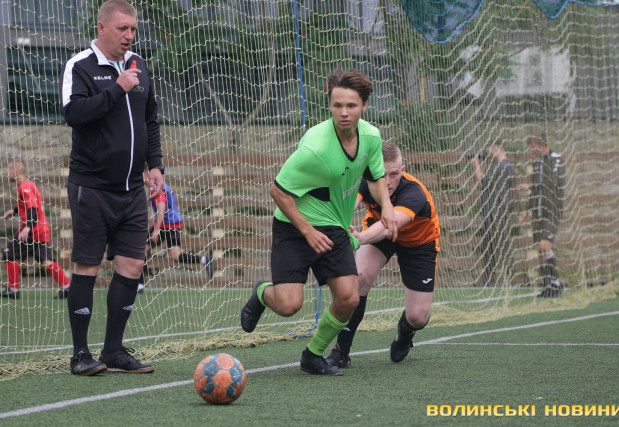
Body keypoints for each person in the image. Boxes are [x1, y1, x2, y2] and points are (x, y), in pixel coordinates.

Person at [240, 69, 398, 376]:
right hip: (294, 226)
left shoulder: (371, 137)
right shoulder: (315, 147)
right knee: (289, 306)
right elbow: (278, 190)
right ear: (329, 105)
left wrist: (388, 208)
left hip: (334, 226)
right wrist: (308, 231)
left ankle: (313, 355)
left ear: (364, 105)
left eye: (351, 105)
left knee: (349, 298)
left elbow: (376, 176)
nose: (343, 112)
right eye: (337, 105)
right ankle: (262, 292)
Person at [60, 0, 163, 376]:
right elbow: (73, 113)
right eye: (122, 28)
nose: (129, 35)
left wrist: (156, 165)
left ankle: (114, 351)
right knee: (87, 265)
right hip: (92, 187)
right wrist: (117, 89)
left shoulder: (140, 65)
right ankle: (80, 355)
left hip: (133, 189)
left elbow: (150, 121)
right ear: (101, 27)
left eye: (133, 29)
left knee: (133, 265)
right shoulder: (81, 66)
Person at [326, 142, 440, 367]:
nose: (387, 181)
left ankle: (404, 334)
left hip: (418, 242)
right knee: (359, 277)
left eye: (394, 174)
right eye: (382, 174)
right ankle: (341, 351)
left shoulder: (415, 193)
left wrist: (359, 238)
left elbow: (391, 224)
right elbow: (347, 204)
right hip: (379, 231)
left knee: (418, 317)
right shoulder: (367, 181)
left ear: (403, 170)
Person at [2, 160, 71, 300]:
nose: (9, 173)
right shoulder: (29, 184)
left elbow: (32, 208)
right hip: (41, 229)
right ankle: (67, 287)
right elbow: (32, 204)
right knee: (46, 260)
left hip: (32, 230)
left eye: (10, 170)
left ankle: (13, 290)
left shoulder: (24, 186)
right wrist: (14, 210)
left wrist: (27, 227)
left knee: (9, 254)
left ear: (17, 171)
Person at [138, 171, 214, 293]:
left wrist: (156, 229)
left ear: (146, 174)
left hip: (165, 225)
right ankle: (204, 260)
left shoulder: (157, 188)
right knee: (176, 255)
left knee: (142, 249)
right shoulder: (162, 184)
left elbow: (161, 208)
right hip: (175, 224)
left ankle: (139, 285)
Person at [519, 132, 565, 298]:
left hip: (551, 211)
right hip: (537, 212)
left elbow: (554, 182)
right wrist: (526, 210)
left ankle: (555, 283)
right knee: (540, 250)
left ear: (541, 145)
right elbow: (534, 190)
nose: (531, 151)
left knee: (545, 246)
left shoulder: (556, 159)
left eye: (533, 147)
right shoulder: (537, 163)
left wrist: (531, 185)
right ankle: (549, 285)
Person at [471, 139, 516, 287]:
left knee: (501, 244)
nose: (488, 153)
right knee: (489, 245)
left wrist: (476, 164)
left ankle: (512, 277)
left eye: (489, 149)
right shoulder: (507, 166)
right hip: (495, 209)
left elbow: (482, 181)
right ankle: (488, 277)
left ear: (496, 148)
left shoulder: (500, 166)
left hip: (495, 210)